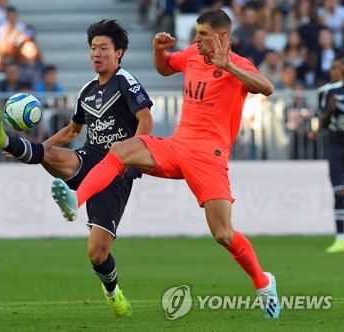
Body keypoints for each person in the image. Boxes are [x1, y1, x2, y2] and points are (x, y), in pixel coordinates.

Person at [50, 9, 281, 319]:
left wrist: (228, 67)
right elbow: (164, 69)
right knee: (121, 149)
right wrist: (160, 51)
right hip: (178, 145)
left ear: (222, 37)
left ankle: (263, 282)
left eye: (202, 34)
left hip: (209, 158)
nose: (195, 39)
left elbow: (267, 87)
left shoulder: (238, 65)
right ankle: (74, 199)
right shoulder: (192, 55)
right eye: (196, 33)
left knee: (223, 233)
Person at [0, 19, 154, 318]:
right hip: (89, 158)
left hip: (116, 169)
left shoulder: (126, 81)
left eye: (103, 48)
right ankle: (6, 141)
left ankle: (113, 293)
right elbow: (72, 132)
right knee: (53, 156)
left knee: (97, 254)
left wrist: (134, 153)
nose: (96, 54)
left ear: (119, 53)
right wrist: (40, 149)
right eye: (92, 48)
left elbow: (146, 121)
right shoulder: (86, 92)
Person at [308, 58, 344, 253]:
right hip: (335, 146)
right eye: (332, 68)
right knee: (339, 192)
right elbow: (322, 119)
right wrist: (327, 114)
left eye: (339, 68)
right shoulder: (326, 91)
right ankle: (340, 239)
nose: (335, 71)